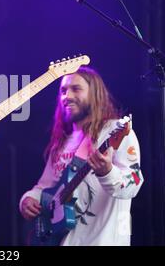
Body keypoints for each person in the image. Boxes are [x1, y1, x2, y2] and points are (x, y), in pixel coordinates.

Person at [19, 67, 144, 245]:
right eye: (63, 91)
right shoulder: (61, 144)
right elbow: (45, 188)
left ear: (95, 93)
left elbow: (133, 184)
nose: (66, 96)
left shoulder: (115, 132)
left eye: (76, 89)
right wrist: (29, 199)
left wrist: (107, 172)